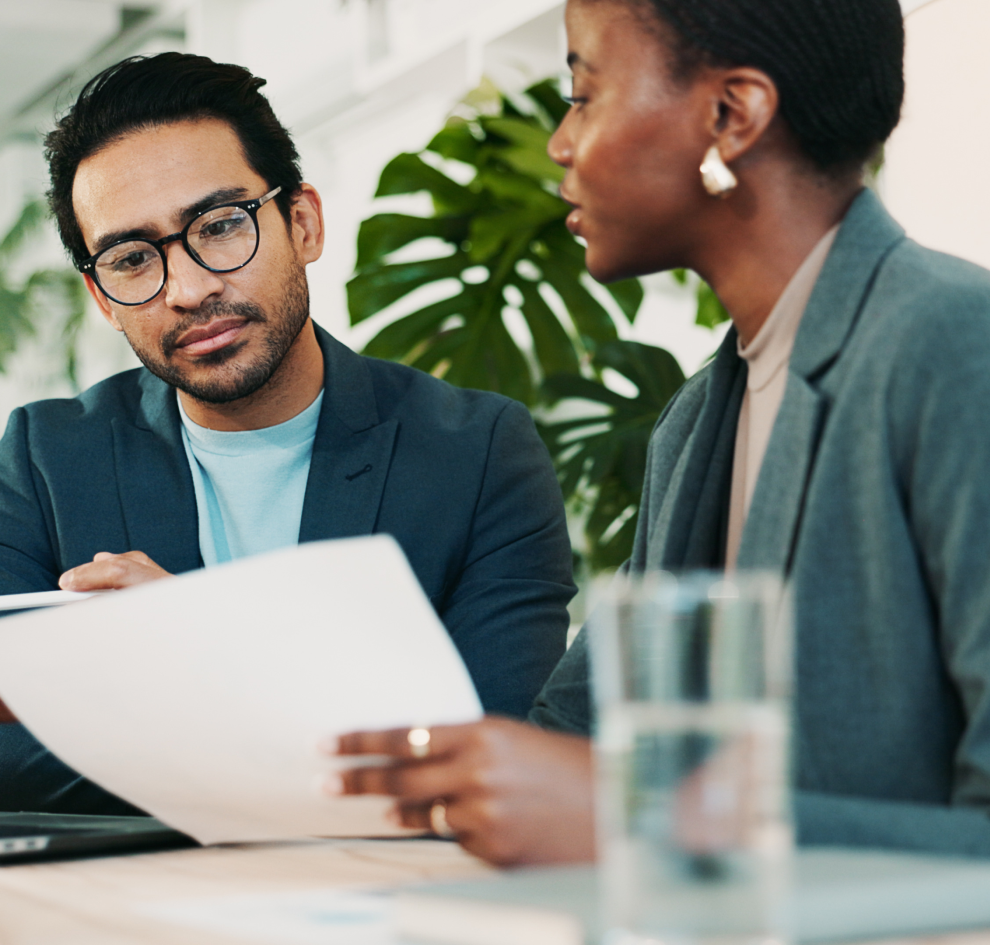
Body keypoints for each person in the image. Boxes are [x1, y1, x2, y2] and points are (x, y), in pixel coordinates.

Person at [332, 0, 990, 865]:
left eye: (584, 91)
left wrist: (655, 823)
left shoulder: (952, 346)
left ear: (731, 114)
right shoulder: (693, 425)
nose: (560, 144)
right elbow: (572, 734)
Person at [0, 53, 575, 813]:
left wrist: (210, 647)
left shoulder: (475, 453)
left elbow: (493, 750)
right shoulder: (46, 457)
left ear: (302, 222)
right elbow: (11, 754)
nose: (191, 289)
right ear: (102, 299)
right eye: (133, 259)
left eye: (220, 225)